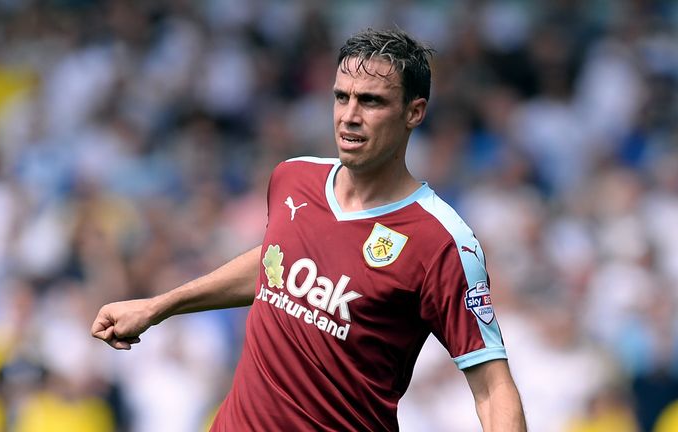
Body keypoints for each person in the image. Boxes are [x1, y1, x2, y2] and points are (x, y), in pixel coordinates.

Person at [91, 28, 527, 431]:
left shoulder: (442, 242)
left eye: (371, 101)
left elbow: (493, 386)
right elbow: (274, 263)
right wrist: (158, 306)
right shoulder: (293, 178)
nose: (349, 116)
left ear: (414, 112)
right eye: (342, 98)